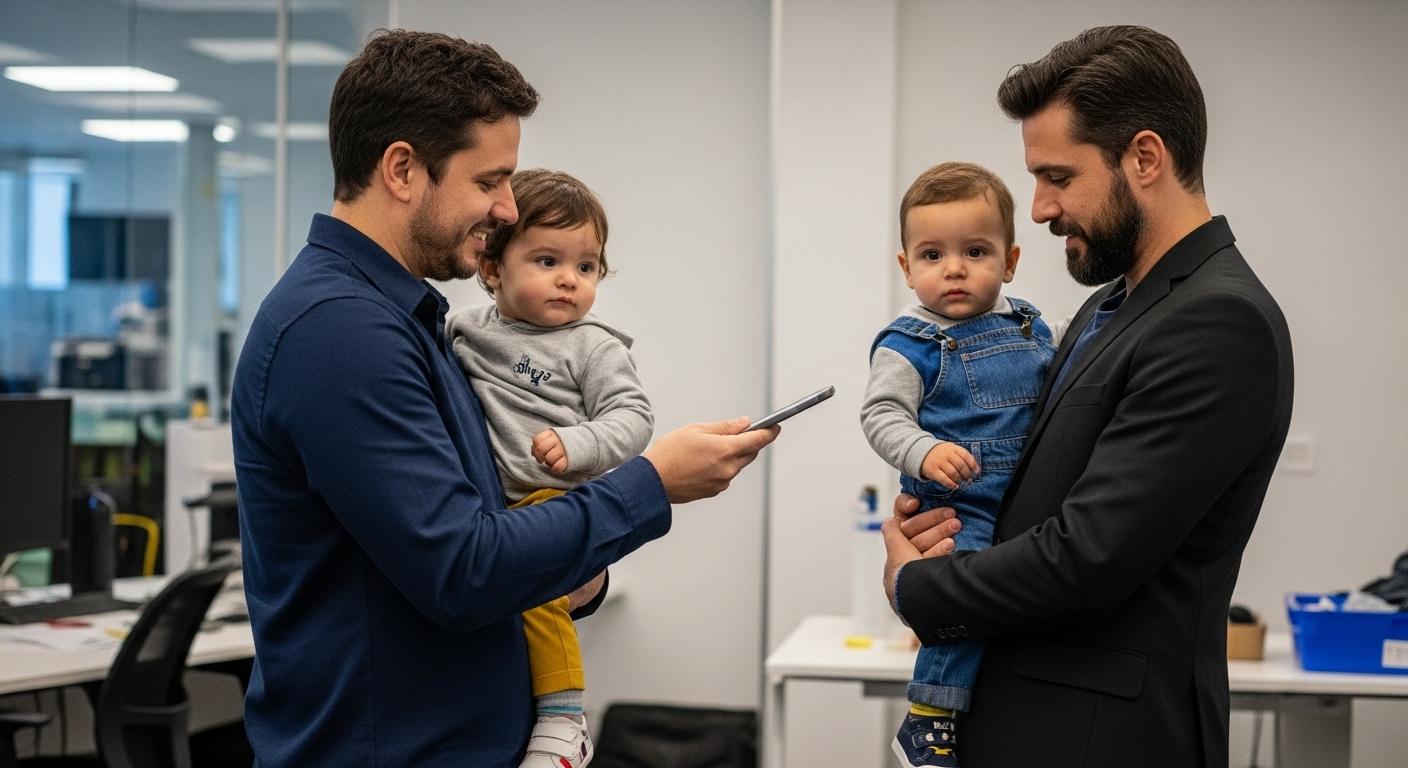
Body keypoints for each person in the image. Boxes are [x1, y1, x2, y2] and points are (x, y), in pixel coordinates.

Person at [231, 31, 778, 767]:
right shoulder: (338, 332)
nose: (506, 207)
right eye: (489, 180)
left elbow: (477, 527)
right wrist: (652, 484)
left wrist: (574, 574)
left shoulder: (412, 319)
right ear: (402, 169)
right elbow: (462, 570)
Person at [881, 25, 1294, 768]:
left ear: (1144, 157)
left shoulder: (1217, 321)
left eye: (1059, 177)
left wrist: (921, 585)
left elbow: (1088, 559)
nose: (1038, 209)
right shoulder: (1112, 305)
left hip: (1102, 740)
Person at [446, 168, 649, 767]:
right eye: (546, 261)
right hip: (484, 504)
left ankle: (564, 717)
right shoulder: (460, 330)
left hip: (547, 499)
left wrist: (579, 442)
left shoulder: (594, 346)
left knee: (535, 595)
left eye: (586, 267)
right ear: (491, 268)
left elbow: (633, 418)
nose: (569, 280)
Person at [862, 162, 1059, 768]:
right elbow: (881, 417)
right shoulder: (907, 345)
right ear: (906, 268)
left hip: (1026, 498)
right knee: (960, 602)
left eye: (975, 251)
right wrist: (924, 450)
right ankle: (928, 715)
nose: (954, 268)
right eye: (932, 254)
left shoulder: (1033, 325)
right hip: (957, 502)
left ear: (1011, 261)